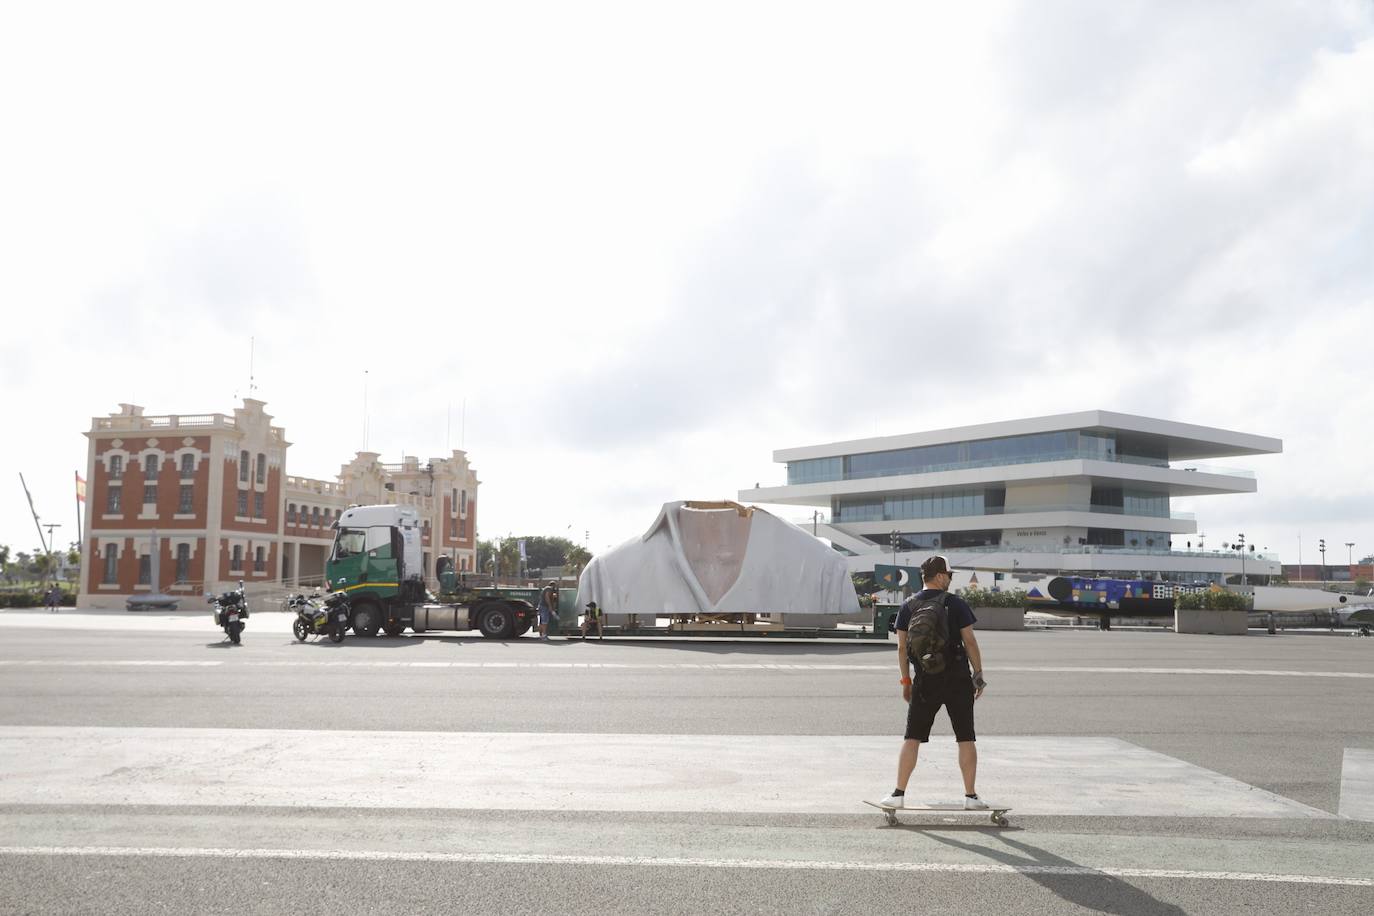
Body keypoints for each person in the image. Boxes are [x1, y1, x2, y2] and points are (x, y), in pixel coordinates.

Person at [880, 555, 988, 810]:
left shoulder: (908, 606)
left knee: (912, 737)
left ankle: (898, 794)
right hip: (957, 679)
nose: (950, 579)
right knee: (965, 738)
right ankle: (971, 797)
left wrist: (906, 680)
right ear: (940, 575)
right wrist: (978, 675)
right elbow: (970, 641)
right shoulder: (956, 604)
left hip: (925, 680)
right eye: (949, 575)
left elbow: (901, 648)